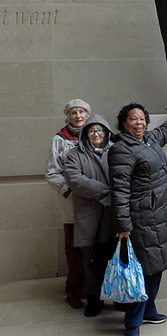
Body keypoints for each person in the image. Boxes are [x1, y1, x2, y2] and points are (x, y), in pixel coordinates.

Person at [108, 101, 167, 336]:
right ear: (124, 123)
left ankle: (148, 310)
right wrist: (123, 224)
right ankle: (132, 323)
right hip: (142, 218)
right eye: (133, 119)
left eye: (142, 119)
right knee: (143, 270)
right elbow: (119, 191)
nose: (139, 123)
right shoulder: (121, 149)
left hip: (160, 215)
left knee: (157, 265)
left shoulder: (148, 139)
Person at [64, 114, 116, 317]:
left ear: (106, 132)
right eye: (92, 131)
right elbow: (75, 180)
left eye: (100, 130)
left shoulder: (115, 150)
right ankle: (94, 301)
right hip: (88, 215)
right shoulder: (74, 154)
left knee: (114, 257)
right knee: (92, 260)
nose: (96, 134)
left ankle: (119, 298)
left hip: (113, 215)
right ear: (85, 134)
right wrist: (106, 192)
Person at [45, 99, 91, 309]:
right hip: (71, 201)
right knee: (74, 247)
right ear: (68, 116)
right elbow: (52, 172)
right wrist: (69, 190)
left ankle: (86, 286)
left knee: (90, 247)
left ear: (87, 115)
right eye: (74, 112)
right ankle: (72, 289)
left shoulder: (94, 135)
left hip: (91, 201)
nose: (78, 116)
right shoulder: (59, 139)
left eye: (81, 112)